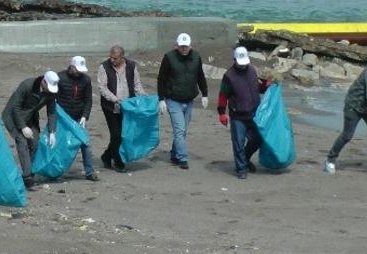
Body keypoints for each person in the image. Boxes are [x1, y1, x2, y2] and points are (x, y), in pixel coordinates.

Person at [157, 32, 208, 169]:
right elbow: (161, 79)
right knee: (179, 130)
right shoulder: (169, 58)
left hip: (189, 98)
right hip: (173, 99)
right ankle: (182, 158)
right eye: (182, 46)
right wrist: (161, 99)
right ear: (176, 46)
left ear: (190, 46)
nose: (184, 49)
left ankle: (174, 154)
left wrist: (205, 94)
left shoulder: (196, 57)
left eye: (186, 46)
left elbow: (200, 76)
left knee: (183, 130)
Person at [217, 47, 270, 179]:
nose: (243, 65)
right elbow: (223, 95)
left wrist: (265, 86)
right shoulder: (229, 76)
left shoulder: (252, 70)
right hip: (238, 115)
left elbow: (256, 88)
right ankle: (241, 168)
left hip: (254, 113)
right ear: (234, 60)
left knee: (258, 139)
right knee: (238, 143)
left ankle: (245, 159)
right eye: (240, 62)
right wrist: (222, 113)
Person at [3, 70, 59, 188]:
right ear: (43, 81)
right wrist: (22, 127)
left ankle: (30, 170)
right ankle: (27, 176)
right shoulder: (27, 85)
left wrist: (52, 131)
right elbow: (15, 107)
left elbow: (52, 112)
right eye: (48, 87)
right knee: (22, 142)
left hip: (30, 117)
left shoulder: (51, 92)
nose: (50, 90)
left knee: (35, 142)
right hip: (12, 116)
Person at [97, 45, 146, 172]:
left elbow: (136, 85)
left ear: (122, 57)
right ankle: (119, 162)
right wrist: (115, 99)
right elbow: (102, 87)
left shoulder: (131, 66)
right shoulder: (104, 67)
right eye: (111, 57)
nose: (112, 60)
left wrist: (144, 97)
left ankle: (106, 156)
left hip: (128, 107)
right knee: (116, 135)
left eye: (115, 58)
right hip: (110, 107)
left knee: (123, 135)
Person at [57, 56, 97, 181]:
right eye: (77, 69)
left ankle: (89, 171)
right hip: (62, 118)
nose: (79, 72)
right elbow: (52, 98)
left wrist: (85, 116)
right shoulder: (60, 78)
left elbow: (88, 100)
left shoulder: (86, 80)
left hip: (78, 117)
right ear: (71, 67)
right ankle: (56, 170)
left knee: (85, 143)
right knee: (58, 144)